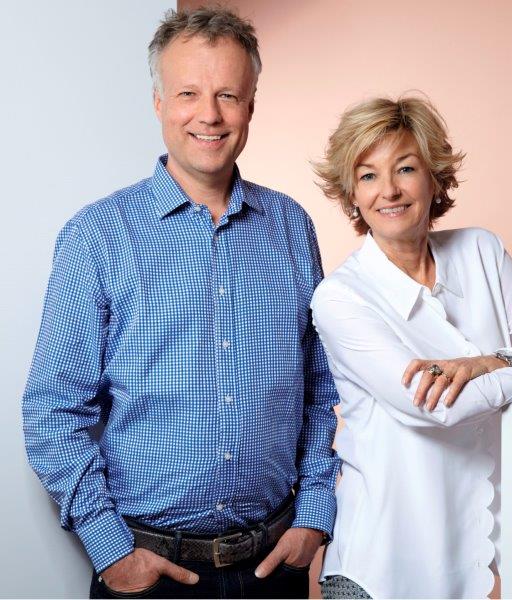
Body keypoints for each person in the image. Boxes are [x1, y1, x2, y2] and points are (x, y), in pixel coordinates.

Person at [22, 8, 339, 599]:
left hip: (275, 569)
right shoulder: (98, 236)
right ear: (159, 103)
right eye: (188, 93)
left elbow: (320, 391)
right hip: (149, 575)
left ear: (251, 105)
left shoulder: (292, 227)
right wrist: (112, 551)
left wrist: (315, 515)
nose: (209, 115)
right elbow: (52, 410)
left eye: (228, 95)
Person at [311, 96, 512, 599]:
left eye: (405, 168)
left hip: (482, 555)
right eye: (367, 175)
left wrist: (488, 363)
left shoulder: (482, 251)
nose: (389, 190)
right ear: (351, 194)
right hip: (382, 568)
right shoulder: (341, 298)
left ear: (434, 177)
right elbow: (435, 405)